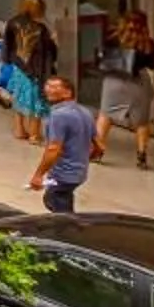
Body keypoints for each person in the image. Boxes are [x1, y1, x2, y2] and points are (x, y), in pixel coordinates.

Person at [30, 76, 99, 213]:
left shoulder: (58, 116)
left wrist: (38, 175)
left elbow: (53, 149)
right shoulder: (86, 112)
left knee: (56, 203)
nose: (48, 89)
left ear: (68, 92)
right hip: (79, 173)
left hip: (63, 174)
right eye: (47, 86)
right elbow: (99, 144)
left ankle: (69, 231)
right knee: (60, 199)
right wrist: (85, 159)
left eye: (54, 87)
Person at [99, 9, 154, 169]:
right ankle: (141, 156)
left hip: (114, 81)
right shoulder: (148, 43)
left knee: (106, 115)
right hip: (137, 82)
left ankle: (98, 150)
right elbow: (153, 65)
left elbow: (102, 56)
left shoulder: (112, 37)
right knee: (142, 122)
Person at [1, 0, 57, 142]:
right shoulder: (41, 29)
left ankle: (19, 130)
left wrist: (7, 61)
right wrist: (53, 41)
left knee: (19, 99)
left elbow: (7, 46)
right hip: (36, 72)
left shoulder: (12, 23)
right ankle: (34, 134)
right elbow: (47, 53)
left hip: (18, 69)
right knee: (36, 102)